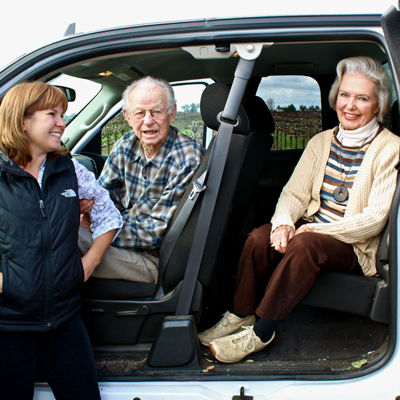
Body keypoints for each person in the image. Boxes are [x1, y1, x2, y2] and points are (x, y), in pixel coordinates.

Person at [198, 56, 400, 364]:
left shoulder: (391, 147)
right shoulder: (320, 142)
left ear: (379, 106)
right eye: (345, 95)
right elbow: (293, 193)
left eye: (363, 98)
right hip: (311, 232)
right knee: (258, 237)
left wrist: (312, 229)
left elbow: (373, 222)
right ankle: (240, 315)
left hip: (353, 247)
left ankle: (263, 332)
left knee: (305, 243)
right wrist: (282, 224)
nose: (350, 105)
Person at [0, 81, 123, 399]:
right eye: (52, 114)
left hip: (65, 319)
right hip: (9, 325)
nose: (61, 123)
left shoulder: (70, 170)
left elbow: (109, 217)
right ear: (22, 120)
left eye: (62, 114)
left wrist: (86, 265)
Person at [79, 76, 203, 283]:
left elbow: (155, 233)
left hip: (155, 258)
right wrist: (88, 214)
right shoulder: (125, 144)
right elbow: (101, 199)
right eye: (140, 113)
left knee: (62, 240)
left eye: (156, 111)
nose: (148, 121)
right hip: (121, 241)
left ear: (171, 113)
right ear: (127, 116)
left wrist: (96, 229)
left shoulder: (187, 159)